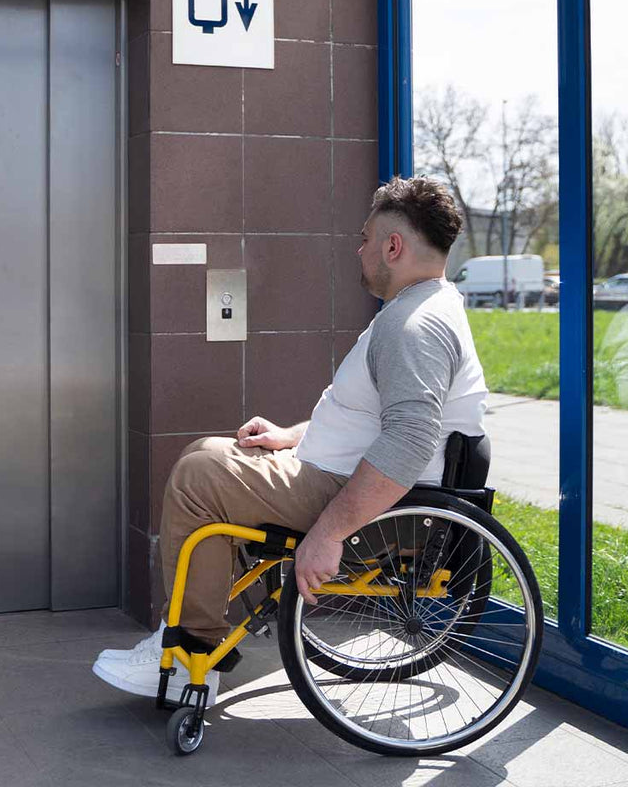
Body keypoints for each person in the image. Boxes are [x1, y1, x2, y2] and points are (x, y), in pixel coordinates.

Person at [92, 175, 488, 705]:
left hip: (361, 503)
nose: (360, 248)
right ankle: (190, 640)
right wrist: (291, 436)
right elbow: (371, 419)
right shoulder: (423, 311)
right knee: (209, 457)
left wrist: (329, 532)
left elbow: (410, 440)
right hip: (341, 478)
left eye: (367, 237)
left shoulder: (411, 327)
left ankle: (189, 653)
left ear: (393, 247)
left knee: (199, 475)